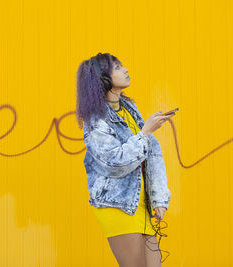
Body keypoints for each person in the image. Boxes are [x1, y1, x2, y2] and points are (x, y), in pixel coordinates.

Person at [76, 52, 174, 266]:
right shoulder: (96, 120)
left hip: (141, 203)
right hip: (117, 204)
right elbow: (115, 162)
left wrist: (158, 198)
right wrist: (145, 132)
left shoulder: (130, 110)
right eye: (118, 67)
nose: (126, 70)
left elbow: (153, 153)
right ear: (103, 77)